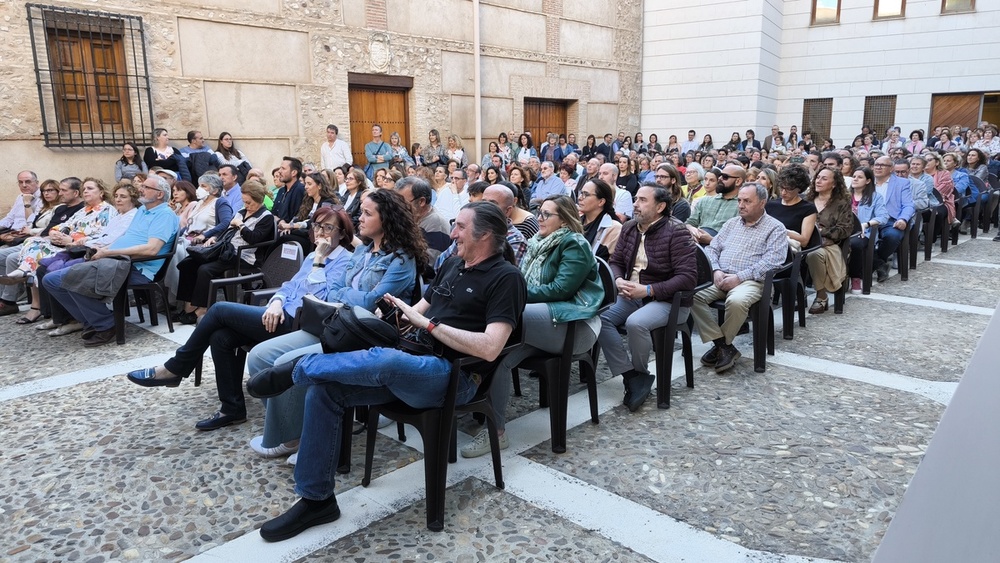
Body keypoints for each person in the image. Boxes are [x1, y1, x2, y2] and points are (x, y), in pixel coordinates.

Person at [245, 201, 526, 542]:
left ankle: (299, 369)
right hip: (413, 358)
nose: (452, 234)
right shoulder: (454, 263)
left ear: (485, 235)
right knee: (327, 389)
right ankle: (316, 500)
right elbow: (419, 311)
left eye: (461, 227)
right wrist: (397, 313)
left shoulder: (506, 278)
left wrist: (429, 325)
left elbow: (490, 347)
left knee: (386, 361)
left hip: (457, 376)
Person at [125, 206, 355, 429]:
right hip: (280, 314)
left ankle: (175, 368)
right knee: (221, 336)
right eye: (317, 226)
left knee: (218, 310)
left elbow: (319, 299)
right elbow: (289, 286)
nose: (320, 233)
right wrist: (275, 302)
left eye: (328, 228)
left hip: (300, 324)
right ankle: (231, 409)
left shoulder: (343, 261)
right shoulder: (314, 253)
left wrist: (319, 262)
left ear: (342, 233)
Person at [244, 189, 426, 460]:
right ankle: (296, 426)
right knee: (259, 356)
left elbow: (368, 302)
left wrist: (348, 295)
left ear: (386, 219)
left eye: (367, 213)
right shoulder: (363, 249)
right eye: (361, 211)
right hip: (337, 325)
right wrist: (351, 296)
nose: (359, 218)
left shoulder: (401, 259)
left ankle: (291, 437)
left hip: (365, 336)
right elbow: (334, 290)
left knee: (288, 363)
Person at [462, 195, 603, 457]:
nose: (539, 217)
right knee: (496, 356)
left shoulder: (574, 243)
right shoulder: (537, 242)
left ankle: (464, 392)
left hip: (576, 326)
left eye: (547, 214)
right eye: (539, 212)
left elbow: (561, 289)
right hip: (543, 325)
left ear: (564, 219)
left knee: (503, 317)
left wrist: (512, 296)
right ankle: (496, 431)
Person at [41, 175, 179, 346]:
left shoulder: (164, 215)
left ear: (159, 195)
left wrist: (109, 252)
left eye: (146, 187)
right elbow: (126, 237)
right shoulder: (143, 210)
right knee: (51, 280)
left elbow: (151, 249)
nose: (140, 189)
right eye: (141, 186)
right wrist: (104, 249)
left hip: (135, 267)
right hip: (115, 259)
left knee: (72, 278)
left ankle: (106, 325)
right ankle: (93, 321)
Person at [691, 184, 787, 373]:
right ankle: (724, 346)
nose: (741, 205)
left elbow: (773, 262)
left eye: (747, 201)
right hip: (721, 276)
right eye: (739, 200)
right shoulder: (731, 223)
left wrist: (739, 277)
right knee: (691, 296)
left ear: (762, 203)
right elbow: (712, 249)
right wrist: (716, 270)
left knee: (736, 301)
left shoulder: (775, 228)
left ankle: (722, 345)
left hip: (752, 281)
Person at [173, 180, 276, 324]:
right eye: (244, 202)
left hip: (244, 256)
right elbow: (228, 231)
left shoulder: (266, 217)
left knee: (205, 269)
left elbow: (254, 239)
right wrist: (215, 238)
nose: (246, 206)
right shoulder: (242, 212)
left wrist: (240, 225)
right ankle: (188, 306)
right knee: (187, 264)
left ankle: (203, 308)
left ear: (259, 200)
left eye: (249, 203)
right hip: (226, 251)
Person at [802, 168, 854, 313]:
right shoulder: (807, 200)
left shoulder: (841, 203)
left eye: (824, 178)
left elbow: (846, 228)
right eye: (817, 177)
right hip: (804, 242)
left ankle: (821, 295)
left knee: (815, 254)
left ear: (834, 183)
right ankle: (795, 295)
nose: (818, 181)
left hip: (831, 245)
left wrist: (822, 233)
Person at [870, 155, 915, 282]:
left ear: (891, 169)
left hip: (891, 219)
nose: (878, 167)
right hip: (868, 218)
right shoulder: (867, 180)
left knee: (893, 236)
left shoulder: (902, 183)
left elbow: (908, 205)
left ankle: (875, 261)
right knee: (858, 239)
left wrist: (903, 219)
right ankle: (880, 265)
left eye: (882, 165)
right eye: (876, 164)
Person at [274, 171, 340, 254]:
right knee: (281, 237)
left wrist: (291, 226)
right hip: (304, 234)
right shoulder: (309, 200)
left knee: (285, 240)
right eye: (305, 184)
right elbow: (299, 217)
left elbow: (314, 222)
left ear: (319, 186)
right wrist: (289, 226)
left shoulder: (328, 202)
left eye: (309, 184)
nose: (306, 187)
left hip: (315, 238)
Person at [848, 167, 888, 293]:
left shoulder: (875, 197)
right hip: (843, 230)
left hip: (864, 233)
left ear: (868, 181)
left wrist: (866, 224)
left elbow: (883, 216)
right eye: (854, 176)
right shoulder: (844, 195)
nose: (855, 179)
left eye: (859, 177)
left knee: (855, 244)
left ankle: (856, 277)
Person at [396, 176, 451, 264]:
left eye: (403, 203)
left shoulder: (436, 223)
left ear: (421, 201)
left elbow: (430, 265)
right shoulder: (409, 218)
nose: (398, 207)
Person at [685, 164, 743, 244]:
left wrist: (712, 240)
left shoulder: (742, 206)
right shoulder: (704, 201)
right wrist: (693, 230)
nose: (720, 179)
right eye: (720, 176)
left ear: (738, 181)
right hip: (695, 244)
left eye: (725, 177)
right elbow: (689, 223)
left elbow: (739, 239)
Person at [765, 165, 817, 251]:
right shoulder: (770, 205)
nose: (783, 192)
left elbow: (804, 241)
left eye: (789, 189)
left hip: (789, 252)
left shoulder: (808, 209)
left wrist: (780, 231)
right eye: (781, 188)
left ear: (799, 189)